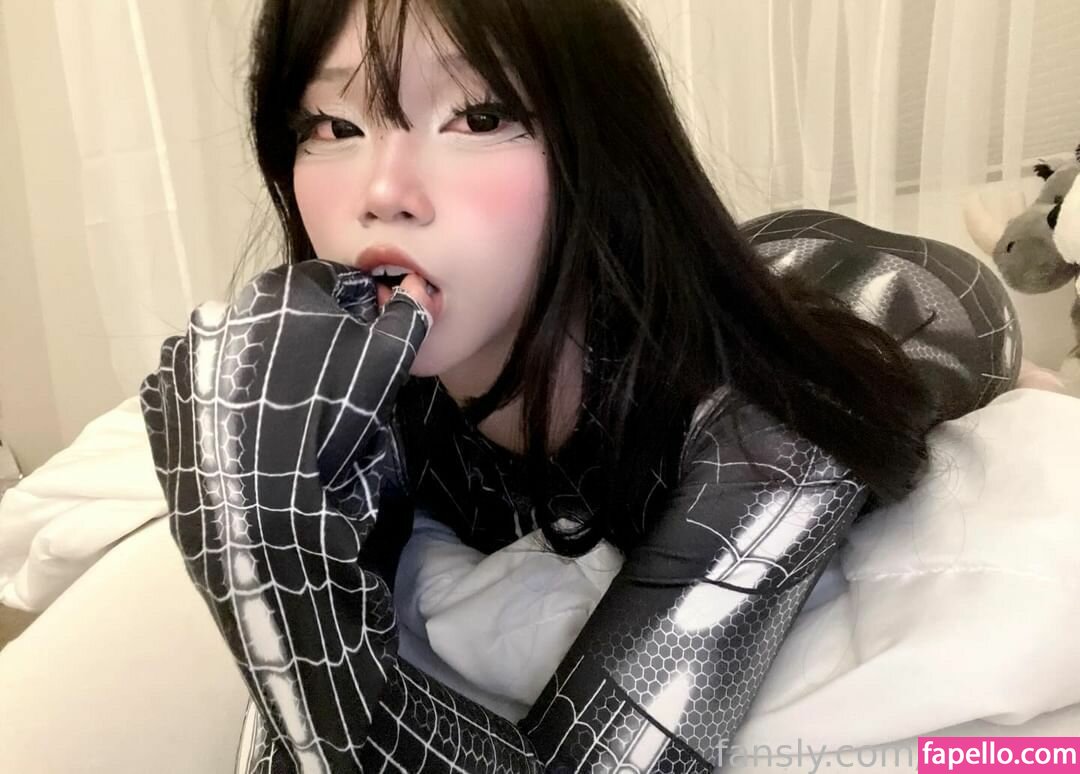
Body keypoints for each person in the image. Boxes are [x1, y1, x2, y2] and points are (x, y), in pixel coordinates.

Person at [139, 0, 1019, 771]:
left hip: (874, 297)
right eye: (332, 126)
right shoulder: (387, 391)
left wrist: (272, 570)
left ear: (596, 146)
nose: (383, 193)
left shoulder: (769, 420)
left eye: (479, 115)